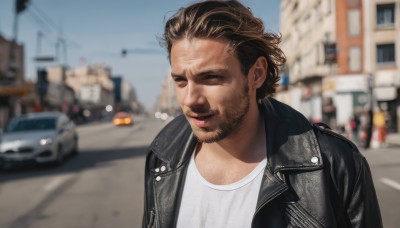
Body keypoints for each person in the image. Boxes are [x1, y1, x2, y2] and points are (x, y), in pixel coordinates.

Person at [143, 1, 382, 227]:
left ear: (256, 74)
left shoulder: (335, 163)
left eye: (211, 78)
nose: (191, 100)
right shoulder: (163, 156)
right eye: (180, 81)